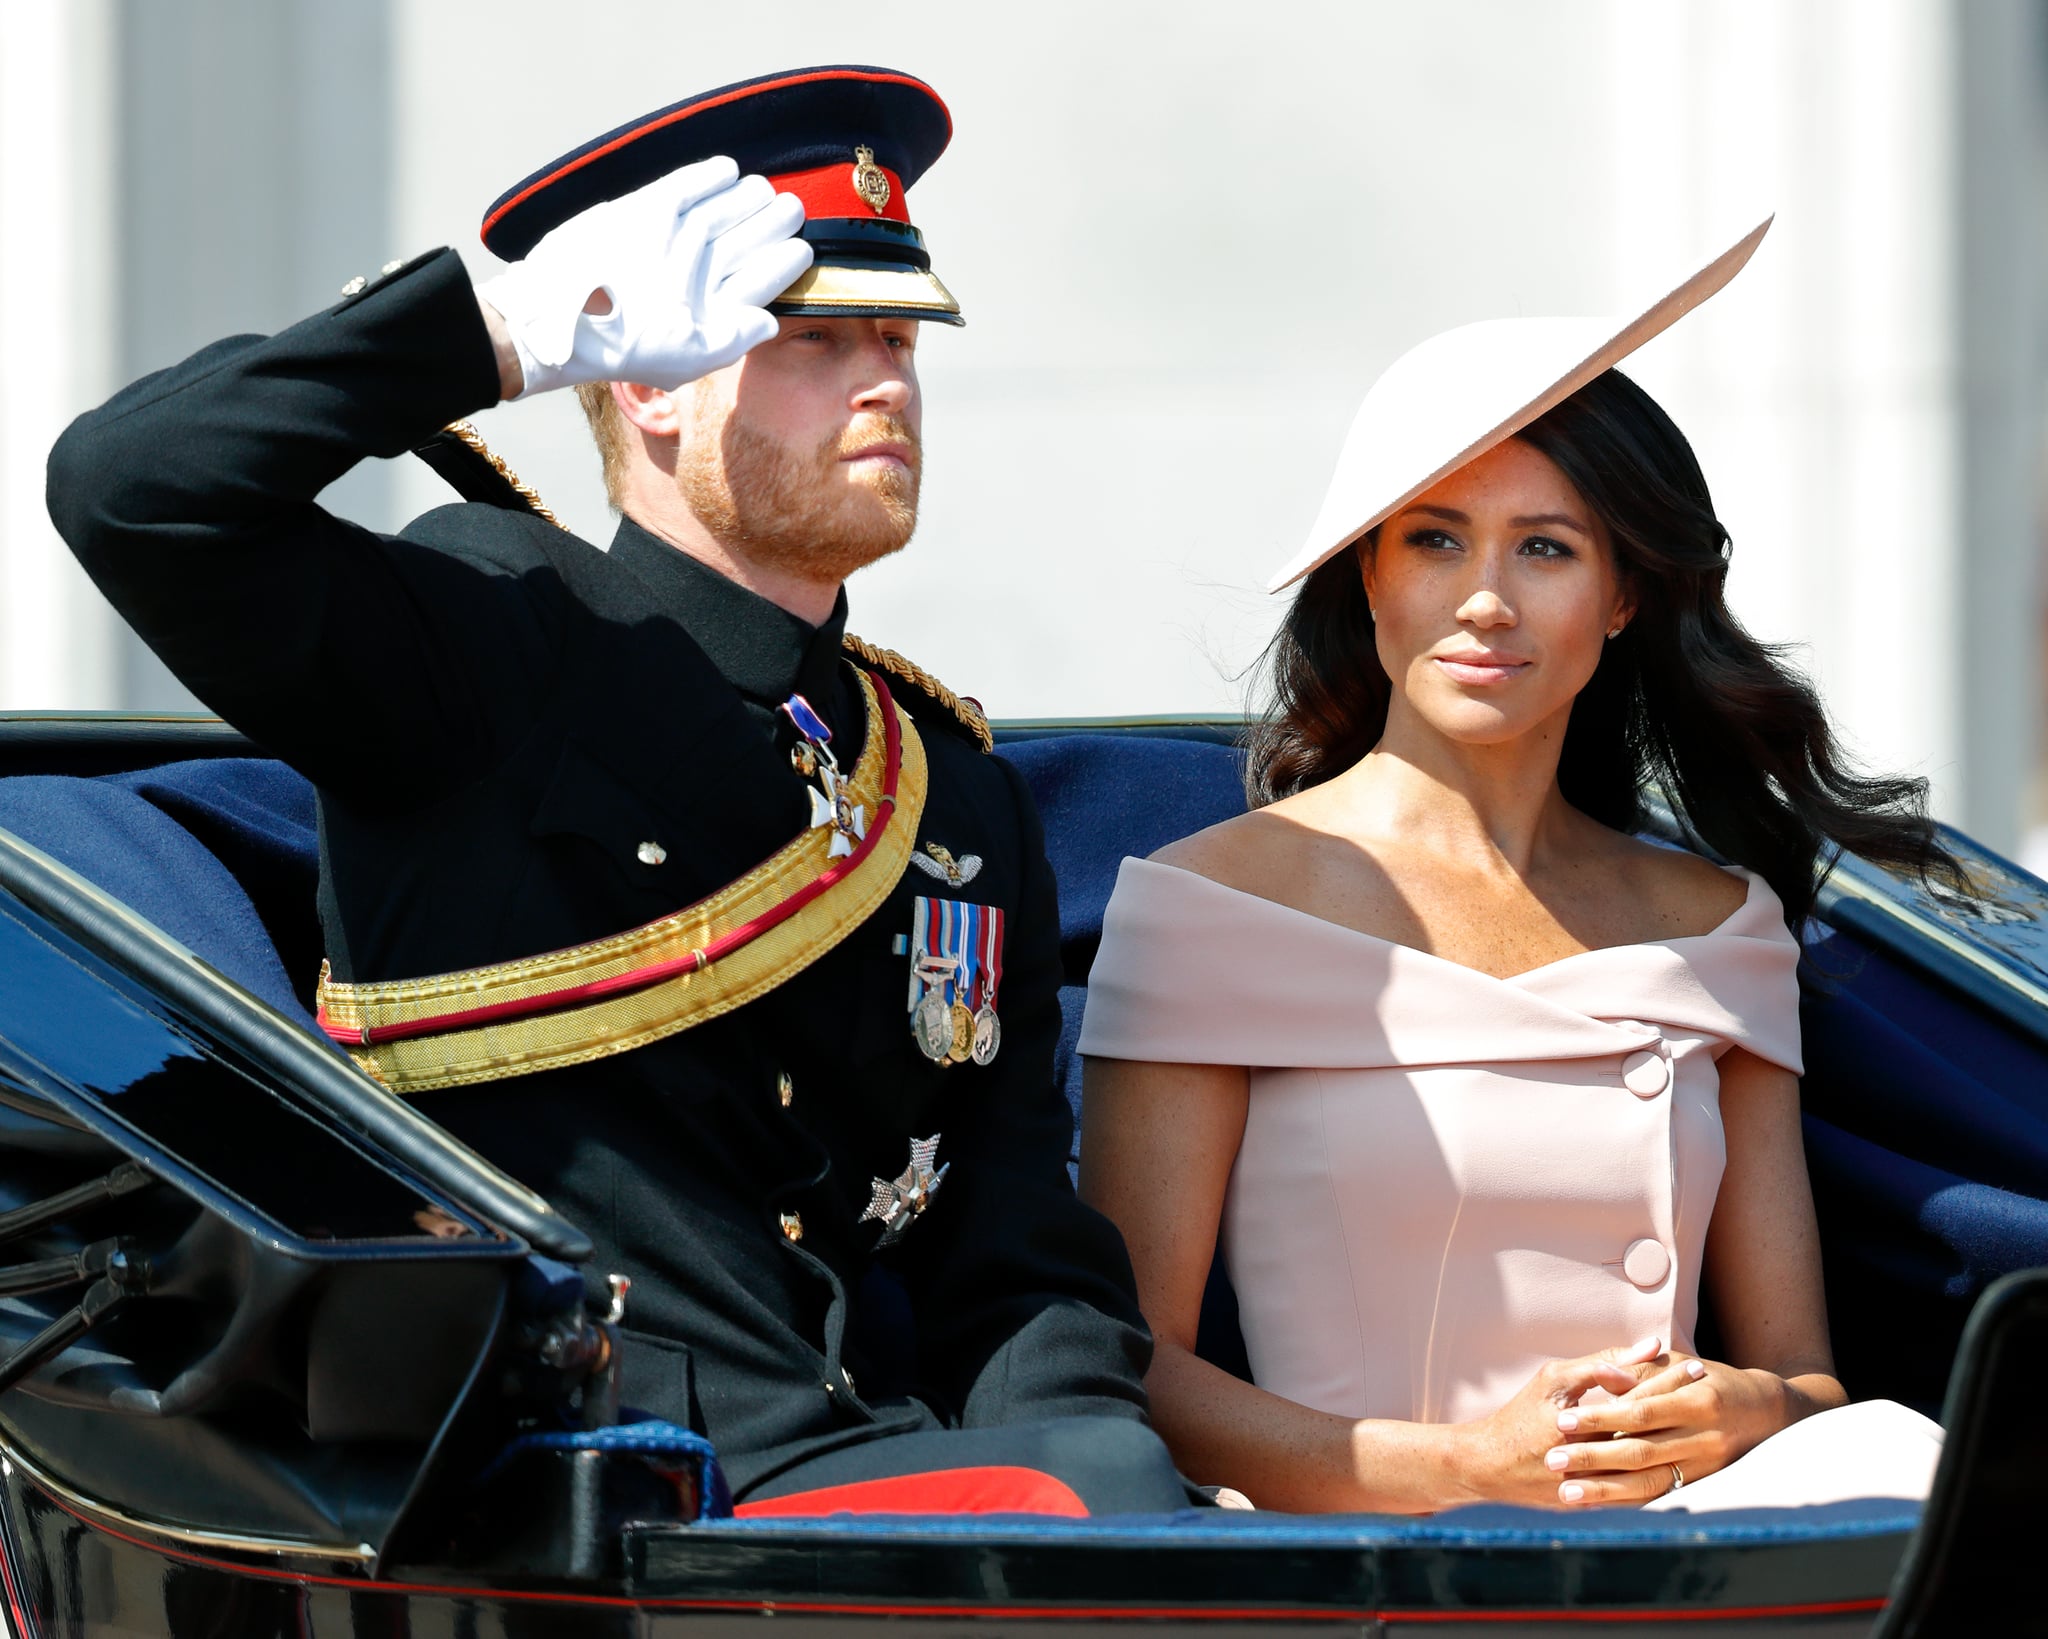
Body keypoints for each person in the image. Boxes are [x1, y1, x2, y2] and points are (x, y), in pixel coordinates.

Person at [47, 67, 1186, 1515]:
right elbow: (134, 489)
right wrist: (498, 335)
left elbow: (1013, 1247)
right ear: (649, 377)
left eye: (899, 335)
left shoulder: (949, 793)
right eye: (816, 339)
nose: (885, 379)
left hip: (869, 1478)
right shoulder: (493, 636)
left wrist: (1090, 1483)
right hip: (575, 1475)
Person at [1076, 219, 1950, 1513]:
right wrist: (1466, 1470)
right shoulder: (1209, 906)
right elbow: (1128, 1370)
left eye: (1546, 547)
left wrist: (1746, 1403)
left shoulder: (1723, 924)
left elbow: (1803, 1371)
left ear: (1622, 595)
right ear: (1368, 577)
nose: (1487, 597)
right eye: (1435, 539)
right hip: (1376, 1562)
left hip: (1701, 1553)